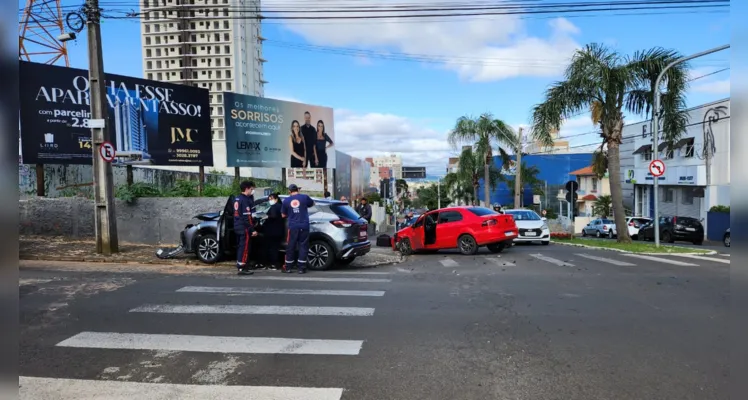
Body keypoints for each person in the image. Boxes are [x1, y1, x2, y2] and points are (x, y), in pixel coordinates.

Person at [281, 184, 315, 274]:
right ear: (298, 190)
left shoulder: (286, 201)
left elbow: (283, 215)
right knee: (303, 246)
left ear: (289, 191)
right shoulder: (304, 197)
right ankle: (301, 268)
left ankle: (288, 267)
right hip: (304, 226)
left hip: (293, 227)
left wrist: (291, 213)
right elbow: (312, 204)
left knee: (290, 246)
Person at [233, 181, 258, 275]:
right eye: (251, 189)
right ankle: (242, 267)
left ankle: (240, 264)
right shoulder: (245, 200)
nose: (252, 191)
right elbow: (247, 217)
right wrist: (252, 229)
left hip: (237, 226)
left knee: (240, 247)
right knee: (244, 247)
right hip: (244, 228)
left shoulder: (237, 198)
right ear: (247, 188)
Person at [261, 192, 284, 270]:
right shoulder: (281, 206)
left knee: (271, 248)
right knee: (275, 248)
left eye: (271, 199)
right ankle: (275, 264)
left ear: (276, 199)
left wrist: (266, 217)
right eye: (269, 199)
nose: (270, 200)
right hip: (279, 231)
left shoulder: (274, 207)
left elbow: (273, 216)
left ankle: (272, 264)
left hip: (272, 231)